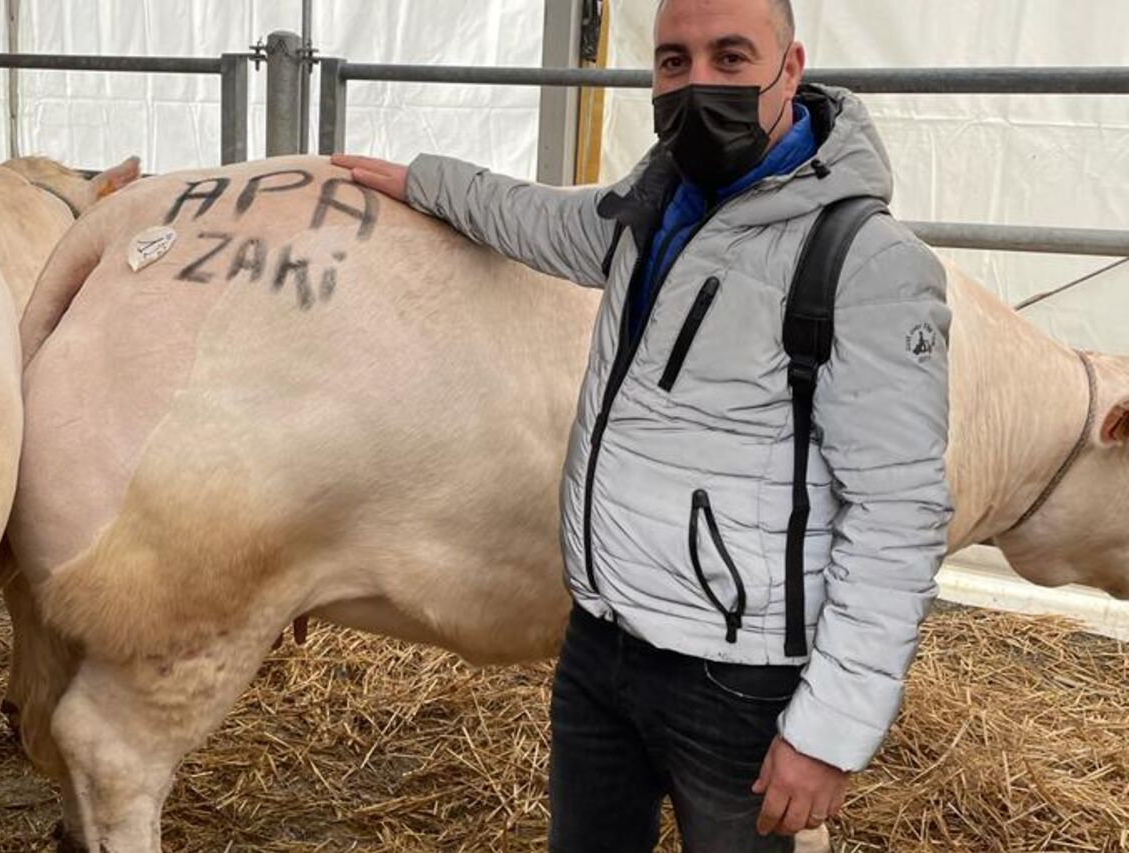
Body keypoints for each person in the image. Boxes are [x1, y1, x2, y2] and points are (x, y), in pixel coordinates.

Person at [333, 0, 952, 850]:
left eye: (730, 58)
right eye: (673, 61)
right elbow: (536, 217)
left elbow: (898, 515)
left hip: (738, 680)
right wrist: (422, 182)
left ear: (792, 67)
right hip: (600, 642)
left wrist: (830, 732)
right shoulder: (654, 208)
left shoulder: (869, 263)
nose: (697, 85)